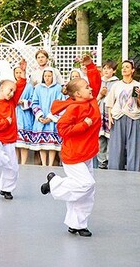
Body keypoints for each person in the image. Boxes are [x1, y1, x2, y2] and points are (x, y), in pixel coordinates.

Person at [40, 75, 102, 237]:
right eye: (86, 87)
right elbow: (63, 129)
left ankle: (77, 224)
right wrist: (84, 125)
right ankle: (54, 183)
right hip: (73, 155)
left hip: (86, 154)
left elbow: (96, 82)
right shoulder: (74, 108)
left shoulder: (91, 101)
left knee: (87, 192)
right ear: (78, 94)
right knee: (86, 184)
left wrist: (90, 67)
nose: (91, 88)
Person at [0, 61, 28, 199]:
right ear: (2, 88)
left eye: (13, 92)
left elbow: (21, 86)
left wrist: (22, 74)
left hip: (9, 140)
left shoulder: (12, 102)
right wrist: (5, 122)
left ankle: (6, 189)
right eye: (10, 90)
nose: (12, 93)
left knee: (13, 167)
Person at [104, 59, 140, 172]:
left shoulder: (137, 85)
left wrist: (138, 97)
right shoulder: (116, 85)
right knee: (116, 147)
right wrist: (109, 117)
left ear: (132, 70)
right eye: (123, 67)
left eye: (127, 67)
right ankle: (114, 171)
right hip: (118, 116)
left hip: (133, 117)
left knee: (133, 146)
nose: (124, 69)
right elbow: (109, 103)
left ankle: (133, 171)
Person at [30, 68, 62, 166]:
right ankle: (43, 163)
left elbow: (60, 103)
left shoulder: (58, 88)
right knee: (42, 144)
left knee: (52, 145)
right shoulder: (38, 88)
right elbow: (34, 103)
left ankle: (51, 163)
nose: (47, 78)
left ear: (53, 76)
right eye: (45, 76)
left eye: (49, 76)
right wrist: (39, 116)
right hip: (41, 119)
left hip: (52, 120)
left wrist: (51, 117)